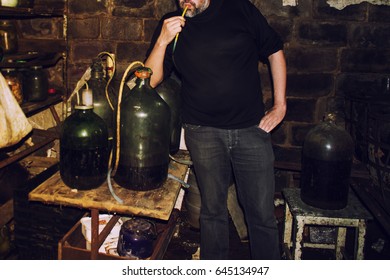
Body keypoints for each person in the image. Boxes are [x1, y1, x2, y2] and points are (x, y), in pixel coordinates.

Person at [145, 0, 287, 260]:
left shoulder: (240, 9)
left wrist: (279, 105)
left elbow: (274, 50)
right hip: (202, 131)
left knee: (261, 213)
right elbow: (149, 79)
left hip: (251, 129)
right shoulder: (172, 25)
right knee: (211, 211)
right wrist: (162, 41)